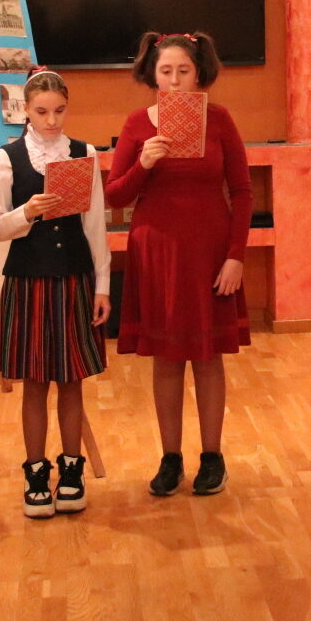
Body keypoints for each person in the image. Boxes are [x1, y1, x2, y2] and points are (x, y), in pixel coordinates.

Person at [105, 32, 250, 496]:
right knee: (167, 359)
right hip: (157, 255)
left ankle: (213, 457)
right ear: (153, 75)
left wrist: (235, 256)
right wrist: (144, 163)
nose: (174, 81)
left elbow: (243, 192)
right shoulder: (136, 124)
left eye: (183, 71)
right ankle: (170, 458)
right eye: (165, 71)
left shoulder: (220, 120)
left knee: (208, 358)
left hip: (210, 253)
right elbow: (114, 196)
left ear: (198, 73)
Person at [0, 69, 111, 517]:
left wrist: (102, 287)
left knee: (72, 379)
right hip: (29, 280)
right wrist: (26, 212)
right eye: (42, 112)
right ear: (26, 110)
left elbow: (95, 226)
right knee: (35, 382)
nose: (52, 120)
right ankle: (36, 473)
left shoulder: (84, 153)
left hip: (73, 278)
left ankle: (72, 470)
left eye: (59, 111)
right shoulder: (7, 158)